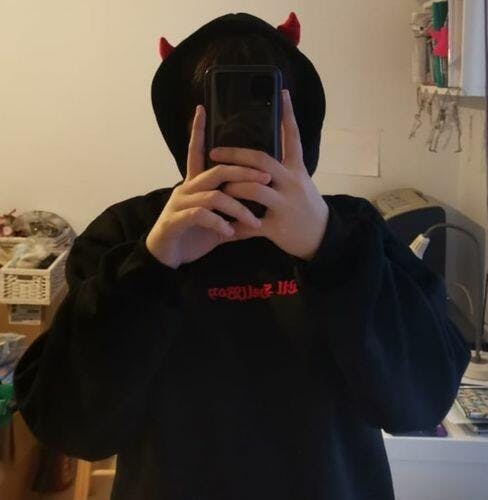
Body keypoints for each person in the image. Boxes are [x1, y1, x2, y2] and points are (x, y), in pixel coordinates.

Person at [13, 12, 470, 500]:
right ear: (189, 121)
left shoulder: (351, 230)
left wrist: (328, 248)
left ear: (296, 118)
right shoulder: (130, 234)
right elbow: (72, 427)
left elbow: (420, 403)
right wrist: (151, 266)